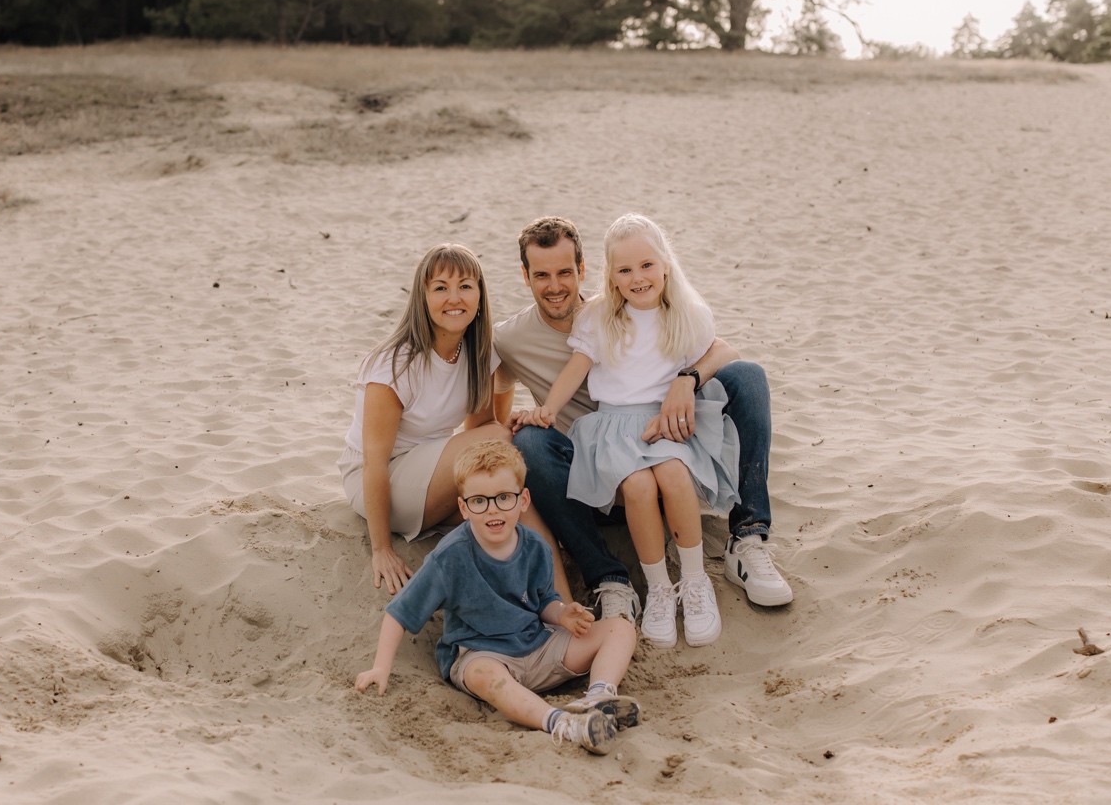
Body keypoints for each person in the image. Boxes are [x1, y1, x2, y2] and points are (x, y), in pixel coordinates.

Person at [493, 217, 794, 625]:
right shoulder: (519, 336)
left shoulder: (645, 310)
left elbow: (719, 347)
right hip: (596, 464)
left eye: (565, 272)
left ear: (583, 271)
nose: (555, 285)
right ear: (525, 276)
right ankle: (612, 580)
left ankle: (746, 541)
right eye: (542, 275)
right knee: (529, 441)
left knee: (748, 376)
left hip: (661, 436)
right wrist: (535, 414)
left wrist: (685, 382)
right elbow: (491, 397)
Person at [355, 439, 641, 756]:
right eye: (480, 501)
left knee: (620, 627)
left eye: (504, 498)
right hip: (482, 654)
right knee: (486, 676)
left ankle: (598, 698)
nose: (493, 509)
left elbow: (542, 602)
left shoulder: (535, 546)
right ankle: (563, 723)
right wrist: (380, 668)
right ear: (464, 507)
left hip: (537, 647)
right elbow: (400, 612)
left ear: (523, 500)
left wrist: (561, 614)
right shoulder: (450, 557)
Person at [338, 243, 564, 596]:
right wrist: (382, 550)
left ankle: (560, 601)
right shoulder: (394, 364)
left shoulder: (477, 351)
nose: (454, 298)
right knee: (501, 446)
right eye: (440, 288)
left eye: (465, 286)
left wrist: (514, 423)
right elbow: (374, 462)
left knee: (515, 509)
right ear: (423, 297)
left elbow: (479, 429)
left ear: (479, 295)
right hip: (377, 479)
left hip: (429, 473)